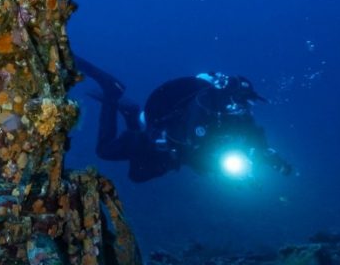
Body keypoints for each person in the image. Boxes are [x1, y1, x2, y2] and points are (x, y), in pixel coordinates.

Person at [76, 56, 292, 183]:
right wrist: (215, 159)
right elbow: (188, 139)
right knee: (105, 151)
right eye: (237, 102)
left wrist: (273, 160)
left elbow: (255, 136)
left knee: (137, 176)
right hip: (159, 141)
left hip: (173, 154)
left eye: (245, 104)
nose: (240, 108)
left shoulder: (238, 116)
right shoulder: (205, 103)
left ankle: (131, 114)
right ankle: (111, 91)